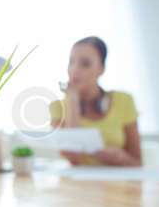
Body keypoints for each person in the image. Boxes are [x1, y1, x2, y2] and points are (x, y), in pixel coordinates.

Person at [49, 36, 141, 166]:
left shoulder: (124, 100)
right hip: (77, 184)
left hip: (118, 183)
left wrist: (120, 158)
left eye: (85, 64)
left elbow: (138, 163)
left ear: (101, 69)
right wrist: (73, 101)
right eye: (71, 62)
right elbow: (72, 157)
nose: (75, 70)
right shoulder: (58, 107)